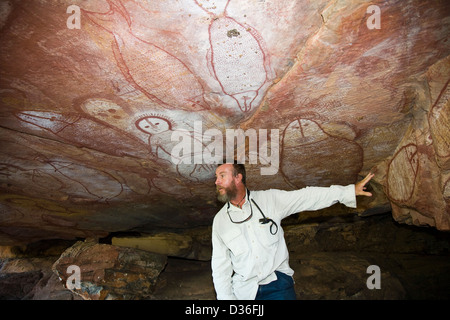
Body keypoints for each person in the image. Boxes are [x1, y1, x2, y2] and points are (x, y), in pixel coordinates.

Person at [212, 162, 374, 300]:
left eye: (222, 176)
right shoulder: (220, 221)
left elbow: (306, 197)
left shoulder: (270, 200)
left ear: (238, 177)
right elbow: (220, 266)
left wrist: (348, 191)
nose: (216, 182)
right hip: (244, 292)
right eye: (216, 177)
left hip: (278, 285)